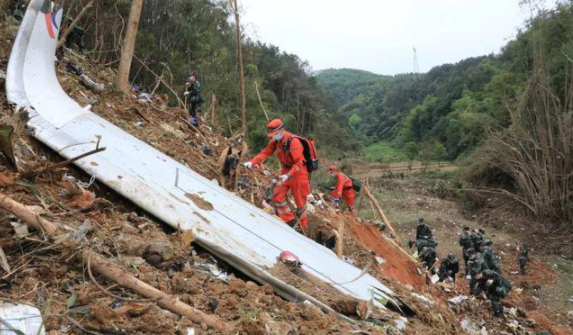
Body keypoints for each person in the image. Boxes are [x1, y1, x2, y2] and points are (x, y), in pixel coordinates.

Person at [243, 119, 311, 229]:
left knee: (300, 202)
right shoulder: (275, 141)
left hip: (298, 172)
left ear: (282, 130)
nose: (274, 137)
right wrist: (252, 162)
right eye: (272, 135)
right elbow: (265, 152)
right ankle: (290, 221)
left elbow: (299, 162)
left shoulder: (293, 141)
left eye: (275, 134)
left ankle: (303, 227)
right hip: (286, 170)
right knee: (277, 195)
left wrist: (289, 175)